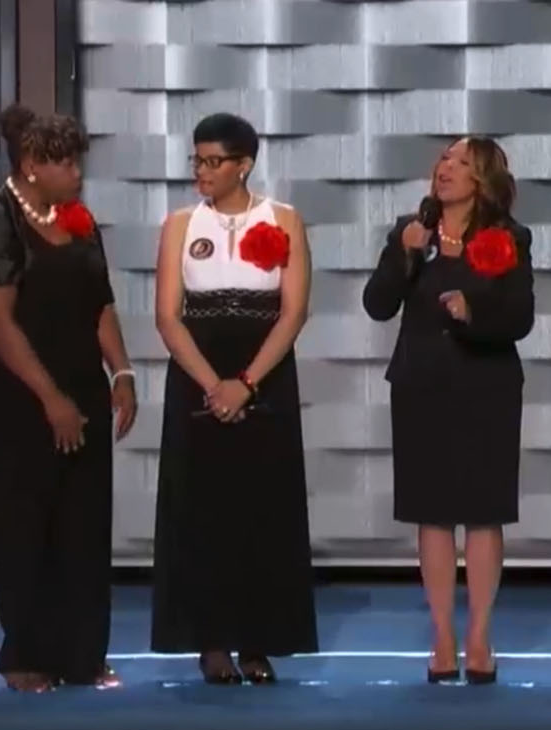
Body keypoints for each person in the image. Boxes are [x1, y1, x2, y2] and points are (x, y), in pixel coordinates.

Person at [0, 105, 138, 692]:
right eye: (65, 162)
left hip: (82, 383)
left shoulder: (79, 222)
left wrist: (123, 373)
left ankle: (83, 654)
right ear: (32, 165)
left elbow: (101, 305)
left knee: (84, 522)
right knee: (26, 520)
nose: (78, 174)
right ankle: (26, 655)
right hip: (17, 395)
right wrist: (51, 398)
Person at [151, 112, 318, 684]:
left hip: (264, 372)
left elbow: (294, 311)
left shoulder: (285, 220)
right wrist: (212, 384)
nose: (201, 170)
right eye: (195, 159)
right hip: (197, 372)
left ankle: (258, 639)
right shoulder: (179, 224)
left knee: (261, 508)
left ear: (243, 165)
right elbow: (168, 317)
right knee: (201, 510)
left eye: (212, 160)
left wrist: (245, 383)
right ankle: (210, 639)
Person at [363, 136, 533, 685]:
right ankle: (442, 637)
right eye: (443, 159)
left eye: (461, 163)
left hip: (485, 386)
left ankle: (480, 637)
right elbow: (377, 303)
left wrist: (472, 308)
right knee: (431, 511)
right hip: (421, 386)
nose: (446, 169)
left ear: (482, 179)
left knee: (483, 511)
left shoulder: (507, 237)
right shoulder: (411, 230)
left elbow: (519, 316)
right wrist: (406, 253)